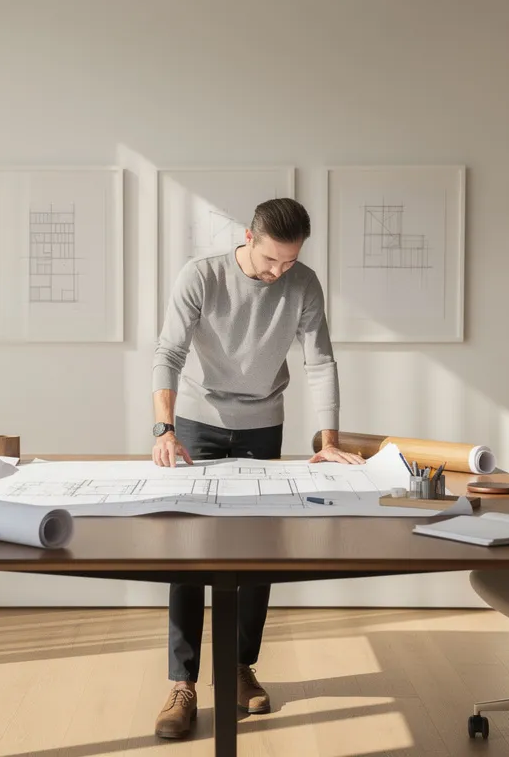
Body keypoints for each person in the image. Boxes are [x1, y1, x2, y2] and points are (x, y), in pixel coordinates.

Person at [149, 197, 363, 739]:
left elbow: (320, 360)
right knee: (188, 552)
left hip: (263, 424)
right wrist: (164, 430)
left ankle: (239, 666)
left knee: (259, 550)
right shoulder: (201, 277)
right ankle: (182, 683)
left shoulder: (303, 284)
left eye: (290, 261)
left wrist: (329, 441)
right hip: (196, 423)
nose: (279, 271)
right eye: (271, 259)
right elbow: (168, 353)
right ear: (248, 237)